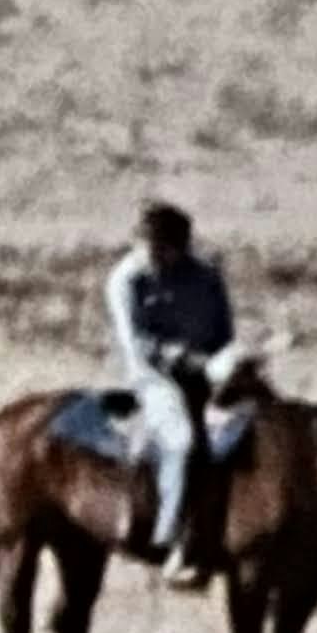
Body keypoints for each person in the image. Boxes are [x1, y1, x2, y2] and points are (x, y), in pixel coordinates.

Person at [103, 198, 237, 587]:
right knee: (181, 440)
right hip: (154, 378)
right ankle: (171, 540)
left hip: (211, 372)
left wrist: (224, 362)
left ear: (179, 247)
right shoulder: (126, 280)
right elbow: (137, 343)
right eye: (144, 246)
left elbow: (223, 331)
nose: (149, 256)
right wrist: (180, 358)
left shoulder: (207, 276)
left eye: (159, 248)